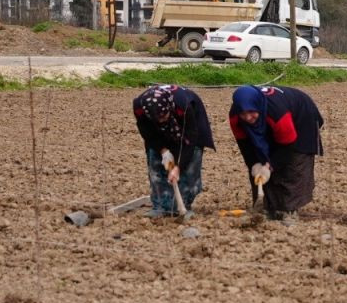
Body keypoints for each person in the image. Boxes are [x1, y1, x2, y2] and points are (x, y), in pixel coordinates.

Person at [229, 84, 324, 220]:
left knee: (294, 164)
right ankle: (265, 207)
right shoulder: (235, 117)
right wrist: (254, 164)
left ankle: (289, 210)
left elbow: (288, 146)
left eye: (251, 112)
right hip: (273, 123)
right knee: (260, 163)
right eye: (243, 114)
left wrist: (270, 166)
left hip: (302, 118)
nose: (248, 118)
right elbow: (245, 144)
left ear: (258, 106)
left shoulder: (277, 113)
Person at [132, 84, 215, 218]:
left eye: (163, 116)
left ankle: (184, 206)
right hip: (158, 132)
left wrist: (178, 167)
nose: (161, 121)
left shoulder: (184, 105)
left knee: (190, 164)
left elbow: (190, 139)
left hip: (190, 127)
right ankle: (160, 206)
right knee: (155, 163)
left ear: (169, 108)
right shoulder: (140, 108)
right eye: (157, 119)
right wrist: (163, 151)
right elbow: (148, 133)